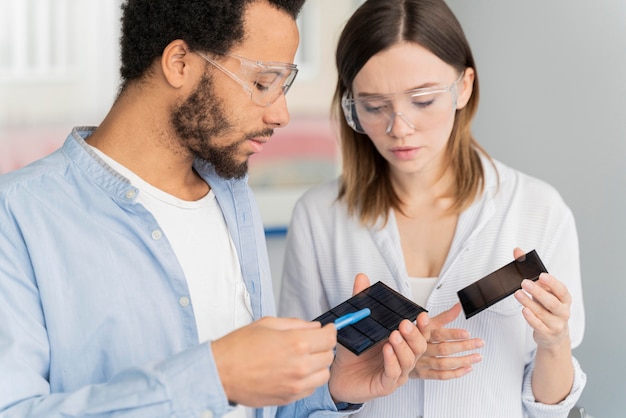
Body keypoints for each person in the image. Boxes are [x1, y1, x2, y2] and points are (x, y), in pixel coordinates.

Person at [0, 0, 430, 417]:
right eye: (263, 82)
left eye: (285, 85)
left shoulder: (231, 196)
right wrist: (215, 377)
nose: (281, 113)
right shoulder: (17, 216)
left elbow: (251, 407)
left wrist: (330, 388)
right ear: (180, 63)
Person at [278, 0, 586, 417]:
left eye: (422, 100)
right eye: (373, 106)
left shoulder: (538, 210)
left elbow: (549, 408)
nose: (399, 127)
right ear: (351, 105)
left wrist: (554, 342)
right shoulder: (319, 217)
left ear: (464, 87)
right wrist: (364, 377)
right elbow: (294, 393)